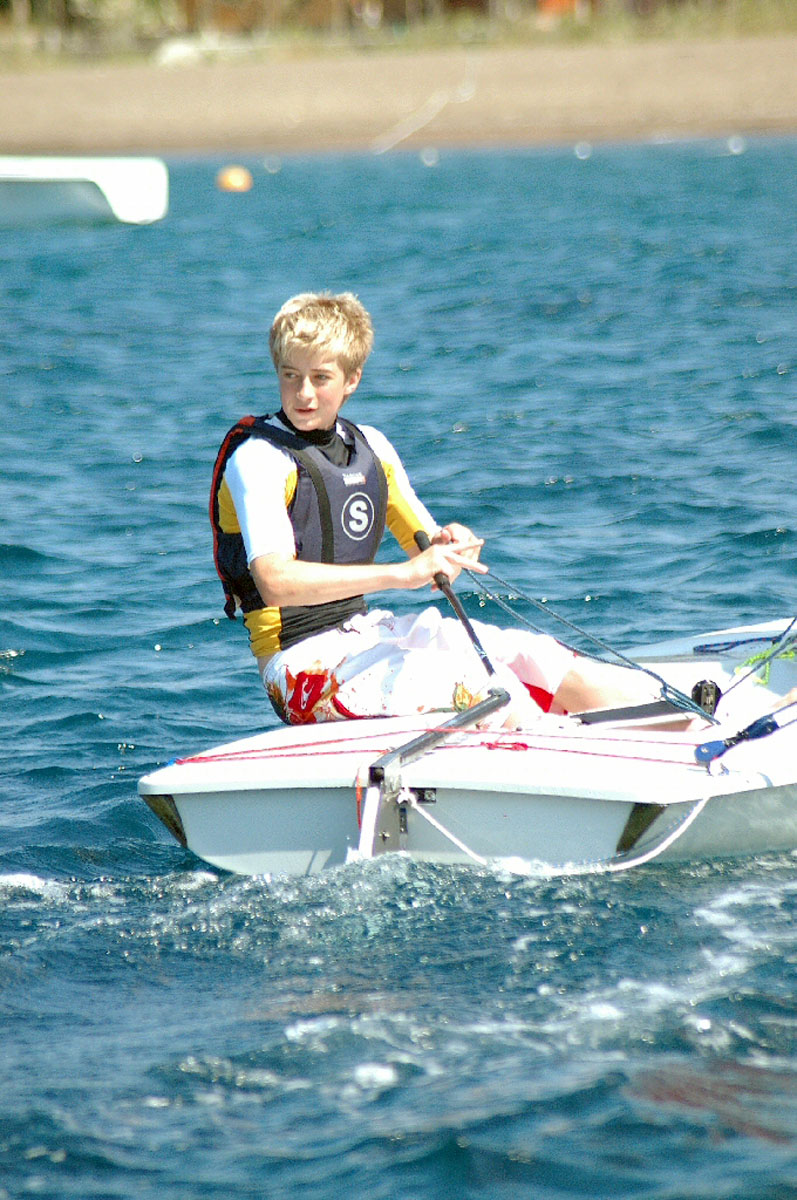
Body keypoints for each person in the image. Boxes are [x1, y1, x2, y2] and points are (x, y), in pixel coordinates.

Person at [210, 291, 662, 726]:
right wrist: (402, 574)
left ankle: (677, 730)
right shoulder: (258, 458)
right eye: (290, 375)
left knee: (537, 657)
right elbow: (274, 582)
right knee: (483, 688)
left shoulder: (371, 447)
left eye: (320, 378)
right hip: (299, 668)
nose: (303, 393)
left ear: (352, 380)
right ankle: (562, 754)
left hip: (367, 633)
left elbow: (428, 559)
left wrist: (452, 547)